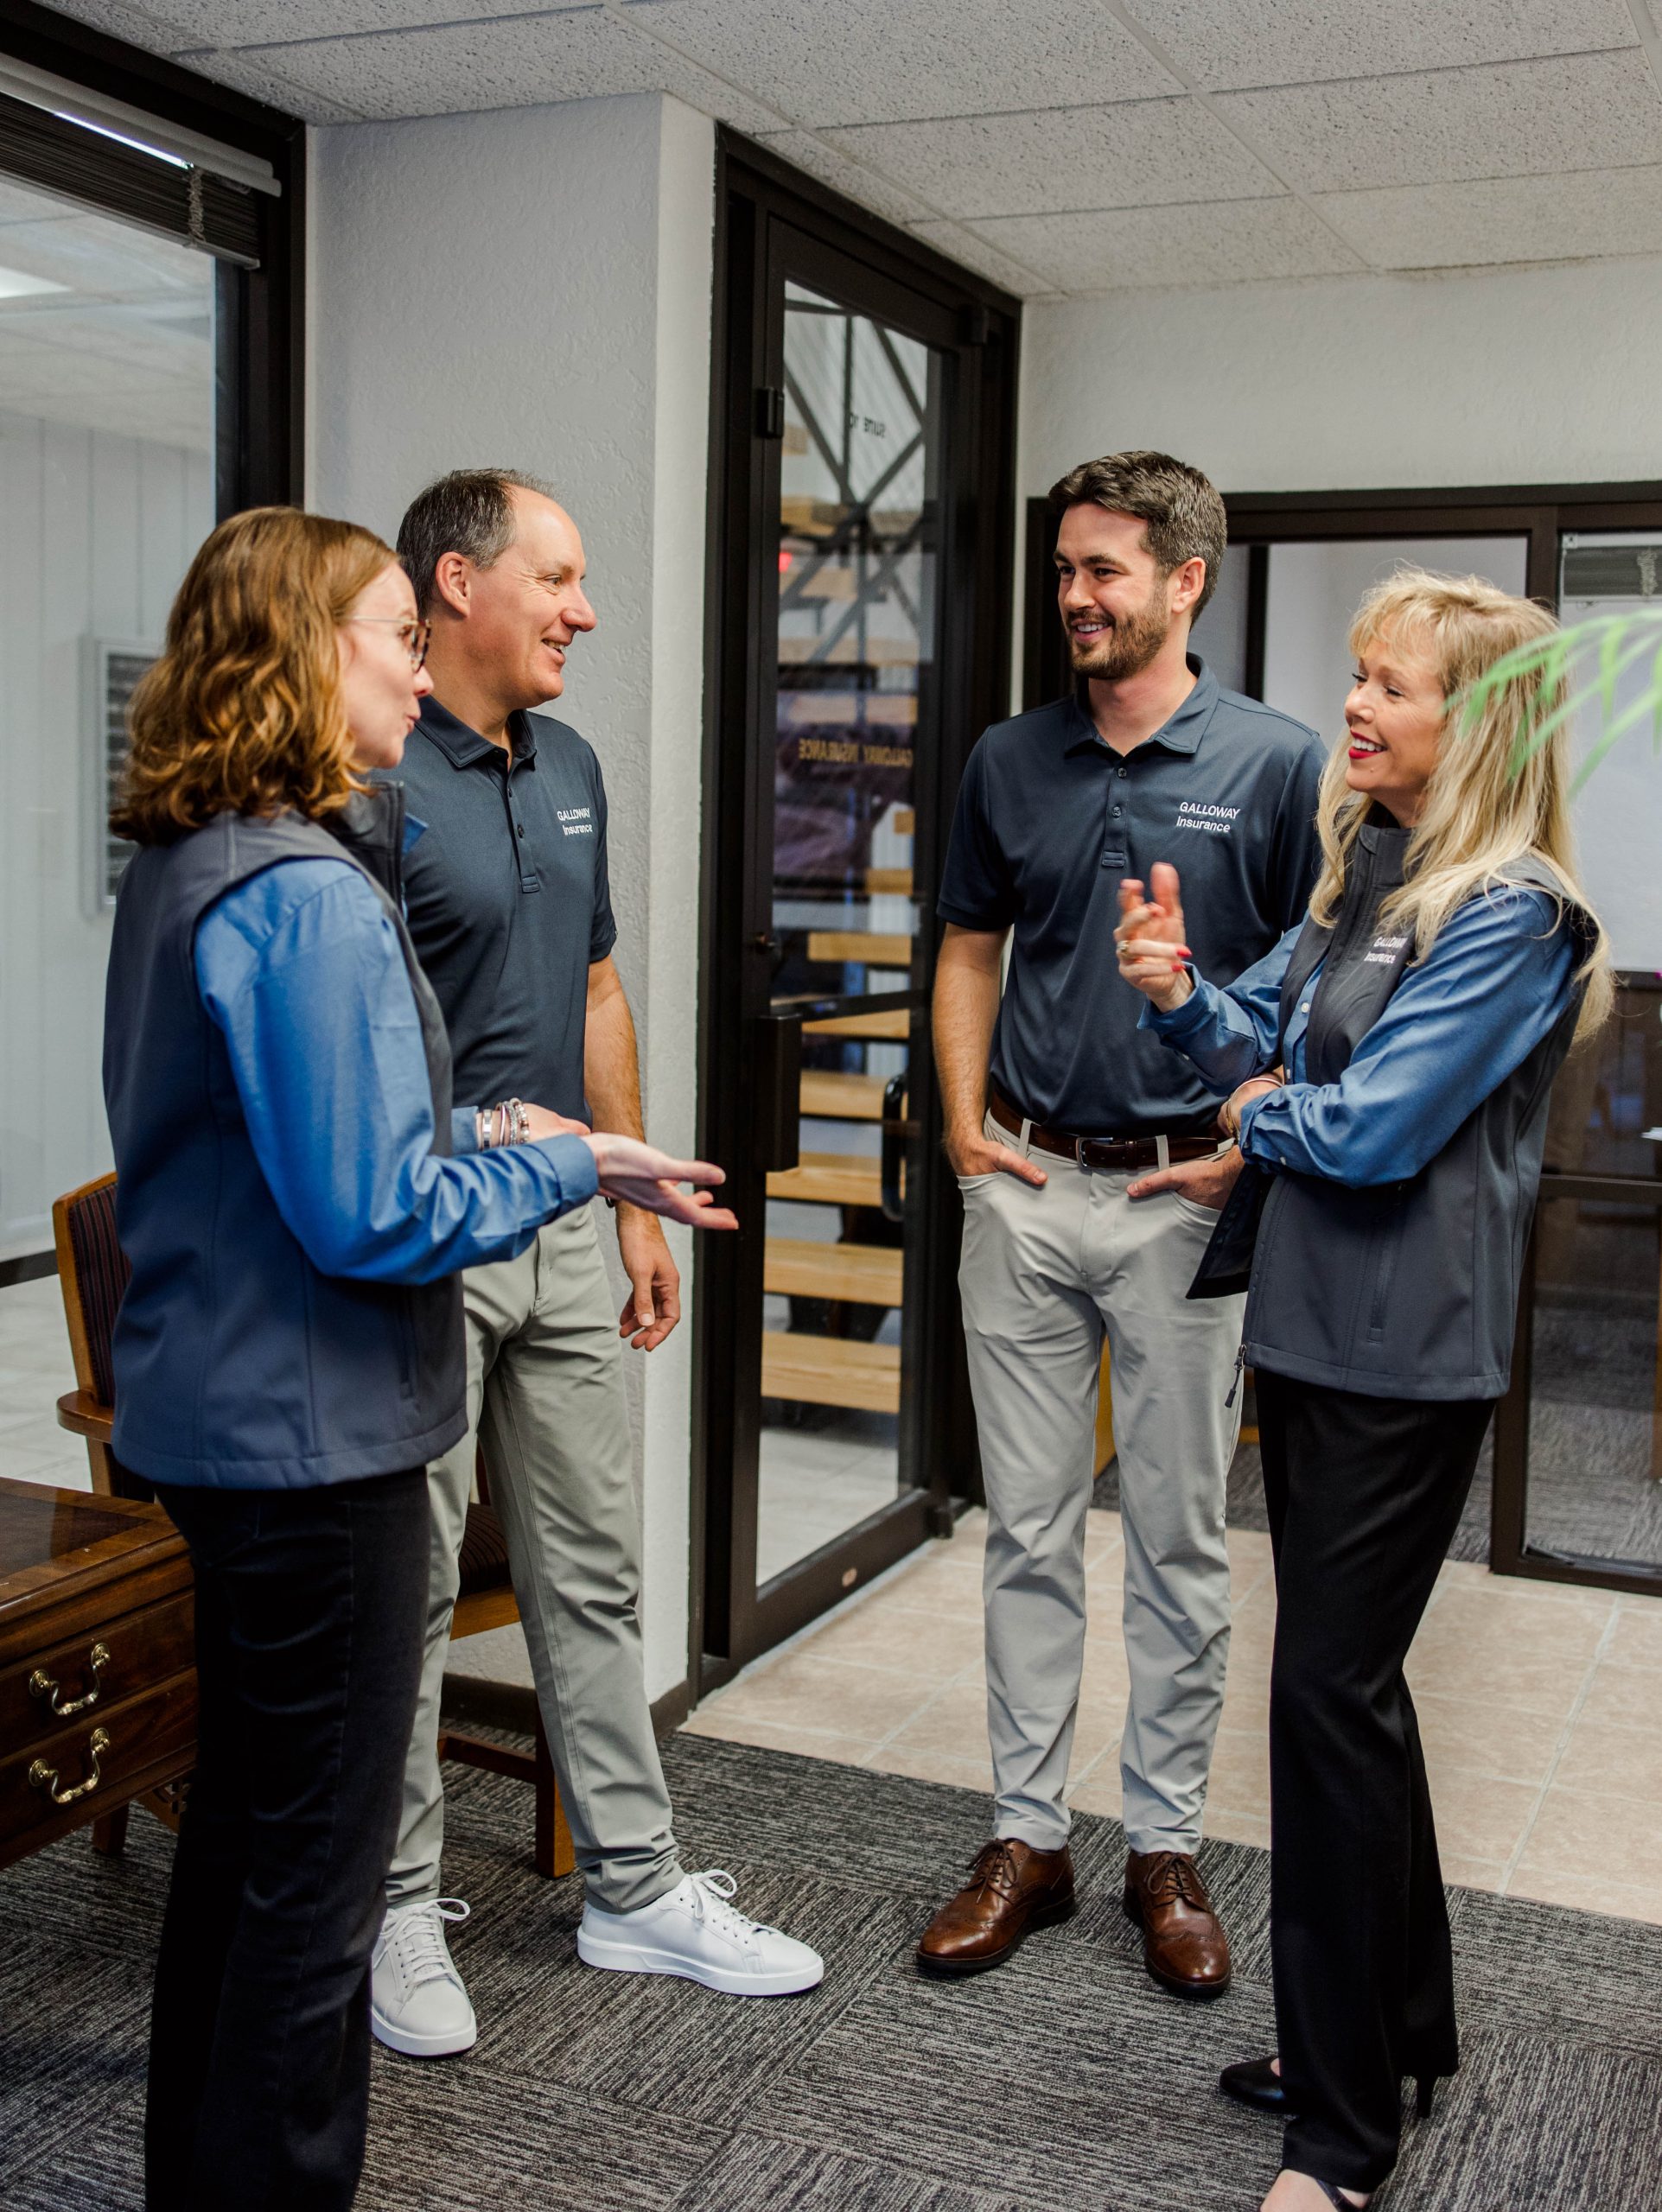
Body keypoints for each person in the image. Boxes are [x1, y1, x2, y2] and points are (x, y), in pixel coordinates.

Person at [105, 506, 735, 2212]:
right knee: (308, 1898)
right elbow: (374, 1215)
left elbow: (292, 1135)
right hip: (314, 1446)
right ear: (308, 659)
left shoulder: (197, 851)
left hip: (229, 1424)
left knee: (241, 1852)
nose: (404, 658)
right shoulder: (305, 885)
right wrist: (564, 1159)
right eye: (386, 629)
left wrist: (486, 1121)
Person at [1116, 569, 1609, 2209]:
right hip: (1315, 1339)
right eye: (1360, 677)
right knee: (1355, 1699)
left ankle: (1339, 2140)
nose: (1356, 706)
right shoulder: (1374, 873)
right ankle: (1398, 2029)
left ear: (1475, 721)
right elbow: (1255, 1034)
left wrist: (1255, 1114)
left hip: (1408, 1365)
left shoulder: (1515, 911)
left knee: (1325, 1706)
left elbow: (1374, 1129)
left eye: (1388, 684)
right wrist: (1187, 994)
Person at [368, 467, 822, 2060]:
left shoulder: (570, 763)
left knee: (593, 1568)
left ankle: (634, 1883)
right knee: (409, 1590)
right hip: (423, 1235)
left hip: (566, 1222)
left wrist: (631, 1198)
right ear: (453, 585)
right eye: (556, 579)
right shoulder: (367, 770)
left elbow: (602, 987)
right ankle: (397, 1903)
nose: (583, 610)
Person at [920, 452, 1327, 1993]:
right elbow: (971, 945)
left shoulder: (1281, 764)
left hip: (1181, 1202)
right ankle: (1028, 1838)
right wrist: (962, 1128)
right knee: (1023, 1529)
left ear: (1185, 583)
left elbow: (1319, 995)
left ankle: (1165, 1845)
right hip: (1023, 1184)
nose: (1077, 597)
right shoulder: (1009, 758)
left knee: (1173, 1541)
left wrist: (1246, 1147)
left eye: (1107, 571)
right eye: (1068, 569)